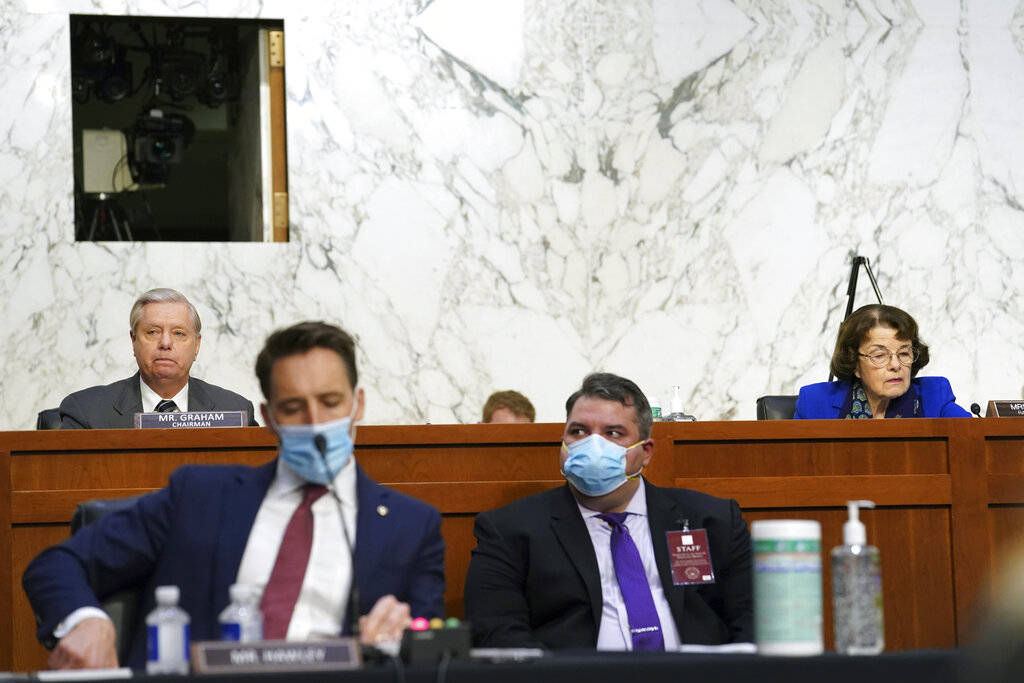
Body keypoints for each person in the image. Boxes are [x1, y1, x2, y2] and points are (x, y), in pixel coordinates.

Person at [24, 321, 445, 669]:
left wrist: (403, 637)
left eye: (331, 401)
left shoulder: (412, 525)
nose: (315, 421)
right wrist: (87, 621)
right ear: (268, 417)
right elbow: (59, 564)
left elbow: (433, 643)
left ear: (358, 404)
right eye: (293, 407)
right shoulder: (199, 496)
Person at [463, 372, 753, 650]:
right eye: (578, 431)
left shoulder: (713, 520)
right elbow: (496, 632)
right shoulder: (509, 531)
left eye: (613, 433)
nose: (593, 445)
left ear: (646, 452)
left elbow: (753, 618)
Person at [58, 288, 257, 428]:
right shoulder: (86, 412)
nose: (165, 343)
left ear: (196, 345)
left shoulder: (235, 411)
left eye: (178, 333)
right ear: (134, 341)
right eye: (152, 332)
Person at [794, 304, 971, 419]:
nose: (895, 365)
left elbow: (972, 439)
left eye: (904, 353)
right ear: (854, 363)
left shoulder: (934, 395)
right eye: (879, 356)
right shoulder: (815, 402)